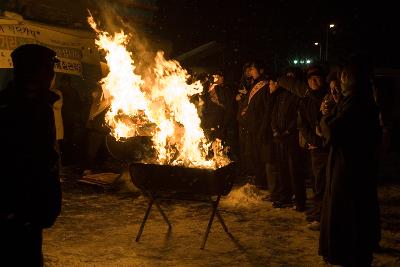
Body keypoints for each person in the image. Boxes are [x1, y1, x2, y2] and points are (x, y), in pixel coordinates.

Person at [0, 44, 62, 266]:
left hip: (27, 214)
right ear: (36, 73)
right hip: (18, 213)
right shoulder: (24, 109)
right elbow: (33, 163)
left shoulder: (33, 104)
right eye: (48, 71)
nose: (52, 77)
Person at [319, 56, 381, 266]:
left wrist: (326, 118)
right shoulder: (352, 100)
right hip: (348, 164)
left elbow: (335, 131)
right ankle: (346, 250)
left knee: (348, 211)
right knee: (347, 209)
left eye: (347, 75)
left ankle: (347, 252)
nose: (342, 78)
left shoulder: (358, 102)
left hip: (351, 167)